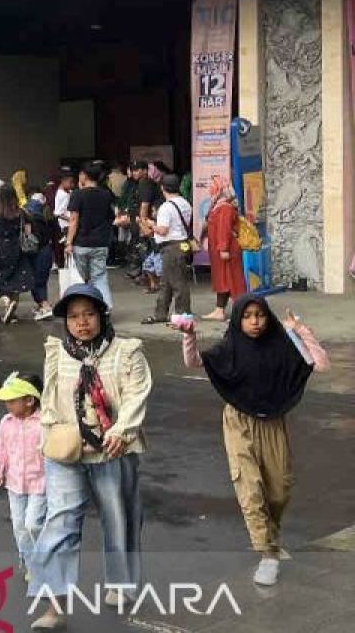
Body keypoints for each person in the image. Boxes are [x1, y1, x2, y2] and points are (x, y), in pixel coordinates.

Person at [174, 297, 330, 586]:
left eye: (260, 315)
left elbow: (320, 364)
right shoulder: (230, 346)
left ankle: (270, 534)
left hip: (272, 423)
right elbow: (194, 362)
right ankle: (268, 554)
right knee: (250, 489)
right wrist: (189, 336)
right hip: (238, 423)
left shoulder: (282, 345)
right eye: (247, 316)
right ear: (238, 320)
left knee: (279, 489)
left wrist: (300, 331)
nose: (255, 321)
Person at [28, 285, 151, 630]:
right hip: (68, 451)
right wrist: (52, 437)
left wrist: (121, 432)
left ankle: (121, 583)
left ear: (101, 315)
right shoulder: (57, 353)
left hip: (113, 448)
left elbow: (136, 395)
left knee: (119, 518)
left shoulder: (126, 351)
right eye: (73, 316)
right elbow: (50, 400)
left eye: (89, 314)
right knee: (61, 522)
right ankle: (54, 607)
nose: (81, 323)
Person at [0, 371, 47, 580]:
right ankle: (31, 564)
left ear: (30, 400)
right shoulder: (7, 422)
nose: (7, 405)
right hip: (14, 484)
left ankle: (42, 561)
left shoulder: (44, 423)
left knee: (33, 525)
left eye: (12, 401)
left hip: (40, 483)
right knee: (20, 526)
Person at [141, 174, 193, 324]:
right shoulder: (185, 203)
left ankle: (183, 316)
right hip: (182, 244)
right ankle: (161, 314)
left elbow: (163, 230)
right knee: (167, 282)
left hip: (171, 247)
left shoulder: (166, 207)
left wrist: (151, 224)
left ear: (163, 188)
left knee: (177, 283)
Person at [65, 161, 116, 310]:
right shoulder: (106, 194)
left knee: (80, 279)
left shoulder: (78, 194)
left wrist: (69, 242)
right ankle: (105, 307)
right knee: (99, 276)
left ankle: (84, 308)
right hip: (101, 242)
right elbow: (111, 217)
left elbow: (73, 220)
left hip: (81, 242)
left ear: (84, 176)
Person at [0, 184, 34, 324]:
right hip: (16, 249)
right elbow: (28, 232)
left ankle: (6, 301)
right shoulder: (22, 213)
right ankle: (12, 311)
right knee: (16, 279)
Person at [200, 175, 247, 321]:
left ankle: (243, 312)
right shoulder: (219, 205)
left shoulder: (224, 207)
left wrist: (223, 249)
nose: (210, 189)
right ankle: (219, 310)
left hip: (226, 251)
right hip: (220, 250)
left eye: (213, 186)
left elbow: (224, 229)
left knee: (234, 281)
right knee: (223, 281)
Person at [23, 194, 57, 321]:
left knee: (35, 281)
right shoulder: (49, 215)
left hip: (32, 251)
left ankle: (45, 306)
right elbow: (56, 235)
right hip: (46, 250)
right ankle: (42, 305)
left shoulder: (27, 216)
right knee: (42, 281)